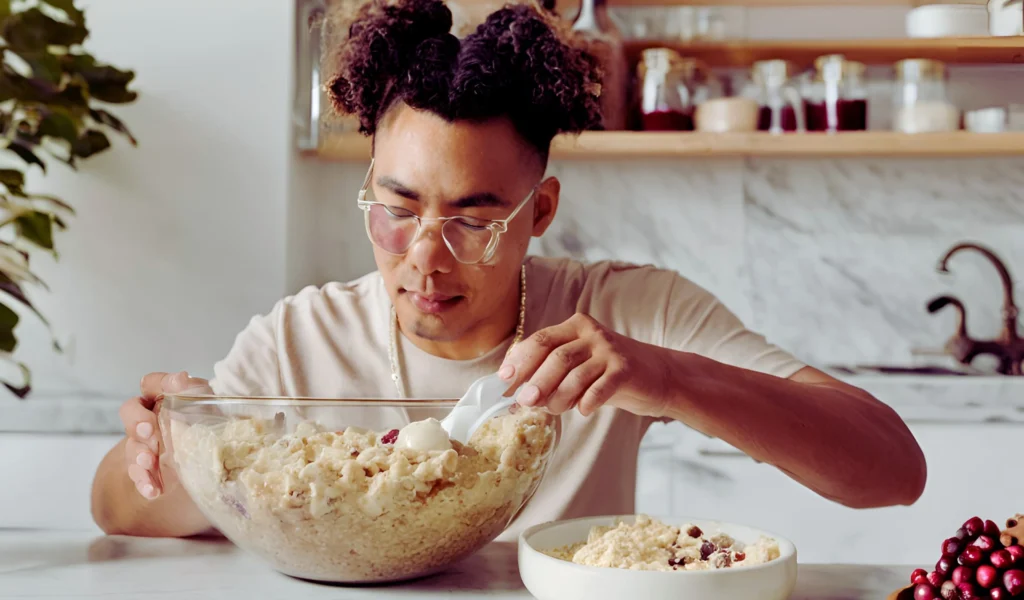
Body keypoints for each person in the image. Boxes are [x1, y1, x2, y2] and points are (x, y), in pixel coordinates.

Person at [90, 0, 926, 539]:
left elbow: (892, 470)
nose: (424, 257)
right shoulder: (300, 339)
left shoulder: (623, 312)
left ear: (543, 211)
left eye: (475, 219)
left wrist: (669, 378)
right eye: (398, 205)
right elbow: (117, 513)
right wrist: (169, 446)